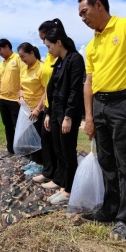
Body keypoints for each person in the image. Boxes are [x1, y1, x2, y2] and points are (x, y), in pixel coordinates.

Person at [78, 0, 126, 242]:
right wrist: (89, 116)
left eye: (84, 12)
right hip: (99, 105)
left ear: (98, 5)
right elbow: (88, 83)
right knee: (106, 162)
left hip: (123, 102)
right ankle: (110, 209)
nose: (82, 18)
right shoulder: (91, 44)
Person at [43, 27, 85, 205]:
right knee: (58, 149)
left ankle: (69, 190)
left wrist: (68, 116)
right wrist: (48, 113)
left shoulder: (75, 59)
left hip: (68, 112)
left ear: (58, 43)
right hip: (56, 111)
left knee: (68, 151)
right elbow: (52, 90)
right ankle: (62, 182)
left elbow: (75, 90)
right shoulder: (59, 62)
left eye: (49, 46)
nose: (48, 50)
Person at [32, 19, 69, 188]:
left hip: (59, 106)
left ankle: (59, 177)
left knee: (59, 146)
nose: (44, 43)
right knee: (47, 140)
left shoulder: (62, 56)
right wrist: (44, 108)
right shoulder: (49, 55)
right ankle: (49, 172)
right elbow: (48, 85)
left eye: (45, 38)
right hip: (49, 105)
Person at [0, 39, 24, 157]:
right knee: (8, 125)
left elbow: (24, 77)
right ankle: (11, 150)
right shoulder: (1, 64)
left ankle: (22, 151)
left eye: (0, 50)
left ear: (6, 47)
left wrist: (22, 95)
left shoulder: (18, 58)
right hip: (3, 99)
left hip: (15, 100)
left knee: (18, 126)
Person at [16, 42, 45, 174]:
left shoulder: (42, 68)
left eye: (24, 56)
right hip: (26, 109)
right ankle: (34, 160)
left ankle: (41, 164)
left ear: (32, 53)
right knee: (29, 137)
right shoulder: (24, 69)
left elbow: (46, 91)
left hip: (38, 110)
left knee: (39, 137)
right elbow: (21, 88)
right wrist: (20, 97)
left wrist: (38, 109)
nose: (22, 60)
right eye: (20, 57)